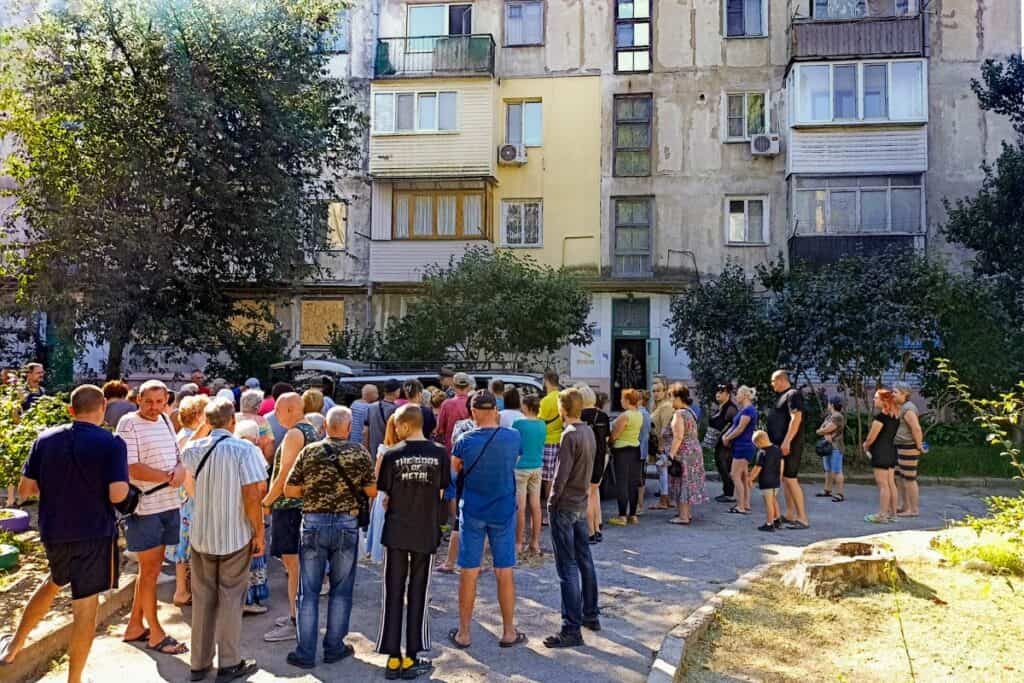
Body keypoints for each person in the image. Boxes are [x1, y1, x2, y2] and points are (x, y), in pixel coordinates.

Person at [0, 385, 128, 683]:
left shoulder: (45, 439)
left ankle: (14, 646)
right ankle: (74, 680)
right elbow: (118, 493)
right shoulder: (111, 443)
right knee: (85, 607)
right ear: (103, 406)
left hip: (55, 529)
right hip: (95, 532)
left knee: (54, 581)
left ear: (71, 409)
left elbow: (25, 490)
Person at [282, 406, 375, 669]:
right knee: (341, 590)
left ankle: (305, 652)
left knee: (308, 591)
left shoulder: (309, 451)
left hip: (312, 522)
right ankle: (334, 647)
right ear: (347, 428)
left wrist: (314, 495)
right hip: (346, 523)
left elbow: (290, 488)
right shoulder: (359, 452)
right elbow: (372, 490)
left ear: (325, 427)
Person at [181, 398, 264, 682]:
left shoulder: (192, 449)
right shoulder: (245, 449)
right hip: (234, 534)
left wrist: (205, 425)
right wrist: (259, 532)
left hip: (202, 534)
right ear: (233, 422)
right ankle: (229, 663)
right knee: (230, 597)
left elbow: (186, 471)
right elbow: (252, 496)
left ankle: (198, 663)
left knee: (203, 599)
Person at [448, 392, 526, 650]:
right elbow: (513, 462)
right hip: (503, 508)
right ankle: (508, 631)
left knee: (469, 570)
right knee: (504, 570)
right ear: (496, 409)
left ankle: (464, 633)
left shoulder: (463, 440)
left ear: (472, 413)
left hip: (472, 509)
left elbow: (455, 469)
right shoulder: (513, 437)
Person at [376, 405, 449, 679]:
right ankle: (411, 656)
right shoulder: (440, 453)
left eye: (396, 425)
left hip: (397, 530)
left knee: (393, 591)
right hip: (425, 529)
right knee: (419, 591)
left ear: (405, 425)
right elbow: (442, 491)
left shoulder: (393, 455)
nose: (394, 430)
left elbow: (385, 495)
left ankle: (393, 657)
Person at [117, 380, 188, 656]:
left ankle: (135, 626)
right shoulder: (128, 423)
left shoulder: (165, 420)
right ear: (138, 399)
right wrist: (169, 477)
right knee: (149, 571)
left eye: (160, 402)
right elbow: (131, 466)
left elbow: (176, 454)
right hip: (145, 507)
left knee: (150, 571)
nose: (154, 407)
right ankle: (156, 633)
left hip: (168, 503)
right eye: (149, 401)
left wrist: (180, 469)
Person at [543, 388, 599, 648]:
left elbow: (560, 474)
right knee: (584, 559)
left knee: (567, 566)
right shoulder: (588, 431)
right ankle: (591, 614)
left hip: (565, 505)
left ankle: (571, 628)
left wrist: (551, 501)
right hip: (580, 501)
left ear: (562, 409)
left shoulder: (569, 435)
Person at [261, 393, 319, 642]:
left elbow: (285, 472)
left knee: (293, 566)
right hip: (301, 505)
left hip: (291, 506)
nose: (275, 415)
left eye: (278, 410)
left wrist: (267, 500)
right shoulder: (311, 430)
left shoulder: (296, 433)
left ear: (290, 409)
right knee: (296, 565)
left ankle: (296, 620)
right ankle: (297, 615)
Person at [168, 395, 210, 607]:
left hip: (187, 498)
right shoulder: (187, 437)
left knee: (186, 543)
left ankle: (186, 589)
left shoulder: (185, 435)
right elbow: (185, 470)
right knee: (185, 544)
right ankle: (182, 591)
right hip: (189, 499)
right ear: (198, 415)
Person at [234, 420, 271, 616]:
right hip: (252, 508)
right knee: (254, 554)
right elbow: (261, 486)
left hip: (233, 510)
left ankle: (238, 600)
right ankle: (249, 600)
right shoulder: (253, 451)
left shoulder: (231, 447)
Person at [767, 370, 809, 529]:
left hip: (790, 445)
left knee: (791, 478)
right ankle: (790, 513)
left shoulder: (793, 394)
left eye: (773, 381)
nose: (772, 384)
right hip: (780, 444)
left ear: (781, 379)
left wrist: (787, 441)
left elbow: (796, 418)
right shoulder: (781, 396)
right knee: (785, 479)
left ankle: (803, 518)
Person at [664, 385, 708, 525]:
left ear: (677, 397)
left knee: (682, 482)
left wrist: (670, 454)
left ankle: (683, 517)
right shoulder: (690, 412)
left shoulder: (679, 414)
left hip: (684, 453)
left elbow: (678, 436)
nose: (669, 400)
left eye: (670, 396)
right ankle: (686, 514)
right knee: (688, 482)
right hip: (693, 452)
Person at [512, 394, 545, 555]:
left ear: (525, 406)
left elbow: (514, 444)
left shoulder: (518, 424)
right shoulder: (542, 424)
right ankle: (535, 542)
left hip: (520, 467)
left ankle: (518, 542)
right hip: (537, 466)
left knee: (520, 507)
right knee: (536, 506)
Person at [863, 389, 901, 524]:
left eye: (876, 398)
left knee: (883, 485)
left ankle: (882, 515)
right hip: (891, 451)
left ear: (884, 401)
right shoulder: (895, 417)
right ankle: (893, 514)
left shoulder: (881, 418)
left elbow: (871, 437)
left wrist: (865, 445)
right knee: (891, 483)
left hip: (880, 452)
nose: (874, 400)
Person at [607, 389, 643, 527]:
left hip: (622, 450)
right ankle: (633, 515)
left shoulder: (625, 416)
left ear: (627, 401)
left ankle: (622, 515)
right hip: (635, 448)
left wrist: (609, 441)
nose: (620, 401)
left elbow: (615, 435)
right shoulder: (639, 414)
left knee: (622, 482)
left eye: (622, 399)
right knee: (633, 482)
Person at [579, 386, 610, 543]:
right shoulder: (604, 416)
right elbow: (606, 439)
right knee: (594, 492)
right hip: (601, 456)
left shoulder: (580, 416)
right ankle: (597, 527)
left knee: (587, 495)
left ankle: (590, 532)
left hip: (587, 457)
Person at [721, 386, 757, 515]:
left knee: (735, 475)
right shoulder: (745, 410)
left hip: (743, 446)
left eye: (738, 394)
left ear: (745, 395)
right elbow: (735, 426)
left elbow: (740, 428)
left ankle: (741, 505)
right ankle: (745, 504)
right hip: (742, 446)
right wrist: (726, 436)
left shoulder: (748, 411)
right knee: (742, 476)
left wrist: (727, 438)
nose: (736, 396)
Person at [893, 383, 926, 517]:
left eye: (895, 392)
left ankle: (913, 510)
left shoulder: (908, 409)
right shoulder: (901, 407)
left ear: (904, 393)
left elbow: (916, 429)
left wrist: (918, 446)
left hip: (908, 447)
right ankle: (904, 506)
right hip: (899, 446)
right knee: (900, 478)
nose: (892, 394)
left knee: (909, 479)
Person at [537, 370, 563, 525]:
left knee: (548, 478)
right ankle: (557, 509)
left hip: (548, 441)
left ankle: (549, 511)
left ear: (546, 381)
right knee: (557, 476)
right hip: (561, 438)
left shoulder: (546, 400)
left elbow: (539, 421)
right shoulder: (563, 396)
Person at [707, 384, 738, 503]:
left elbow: (736, 425)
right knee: (721, 466)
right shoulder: (721, 407)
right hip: (719, 442)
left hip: (727, 444)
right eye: (717, 392)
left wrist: (728, 437)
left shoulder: (730, 408)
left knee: (725, 467)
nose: (718, 394)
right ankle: (727, 492)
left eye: (721, 392)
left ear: (728, 394)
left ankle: (730, 494)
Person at [648, 380, 675, 510]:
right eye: (653, 391)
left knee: (663, 472)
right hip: (657, 443)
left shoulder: (666, 406)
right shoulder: (657, 406)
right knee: (663, 473)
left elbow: (665, 428)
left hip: (663, 444)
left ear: (665, 392)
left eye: (658, 391)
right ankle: (666, 499)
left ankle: (664, 500)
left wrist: (661, 446)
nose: (656, 394)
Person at [815, 396, 847, 502]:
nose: (828, 405)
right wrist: (823, 432)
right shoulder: (829, 416)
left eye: (829, 403)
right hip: (827, 446)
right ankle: (827, 490)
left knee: (837, 471)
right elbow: (820, 430)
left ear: (832, 405)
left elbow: (826, 429)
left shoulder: (838, 416)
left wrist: (823, 431)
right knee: (828, 469)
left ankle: (840, 493)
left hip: (836, 447)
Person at [750, 431, 782, 532]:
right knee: (774, 500)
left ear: (759, 442)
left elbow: (757, 468)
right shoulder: (777, 449)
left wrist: (750, 478)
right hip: (776, 480)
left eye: (756, 444)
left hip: (766, 481)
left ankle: (769, 523)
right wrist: (780, 476)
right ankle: (777, 519)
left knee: (768, 503)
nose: (756, 446)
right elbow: (782, 463)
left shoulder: (762, 453)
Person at [364, 380, 400, 456]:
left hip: (373, 449)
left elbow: (365, 430)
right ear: (396, 391)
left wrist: (366, 449)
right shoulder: (396, 410)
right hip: (389, 449)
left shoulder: (371, 407)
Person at [238, 389, 275, 461]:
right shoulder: (262, 422)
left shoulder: (232, 419)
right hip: (254, 464)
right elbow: (269, 448)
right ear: (257, 406)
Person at [636, 392, 653, 514]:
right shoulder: (646, 413)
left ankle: (639, 506)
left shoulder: (640, 413)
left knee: (638, 480)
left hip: (638, 450)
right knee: (640, 479)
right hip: (643, 449)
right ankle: (639, 505)